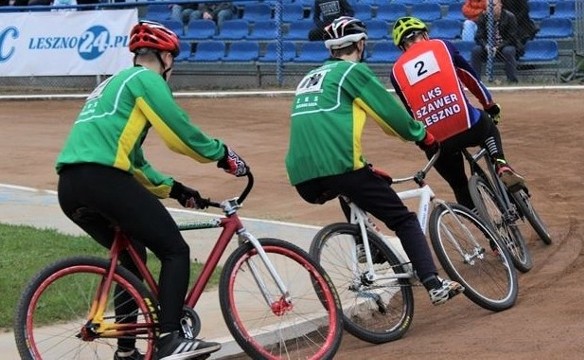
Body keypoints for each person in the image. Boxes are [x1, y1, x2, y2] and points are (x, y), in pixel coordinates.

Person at [55, 20, 249, 360]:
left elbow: (135, 162)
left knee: (132, 258)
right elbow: (180, 131)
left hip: (71, 187)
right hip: (103, 180)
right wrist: (223, 154)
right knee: (175, 249)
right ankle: (170, 339)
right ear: (165, 58)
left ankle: (126, 352)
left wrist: (175, 189)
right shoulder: (146, 79)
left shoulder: (114, 84)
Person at [285, 16, 464, 307]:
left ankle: (362, 242)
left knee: (351, 187)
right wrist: (424, 137)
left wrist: (364, 164)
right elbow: (391, 117)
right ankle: (433, 283)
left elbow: (324, 127)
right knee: (404, 219)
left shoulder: (309, 78)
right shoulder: (353, 72)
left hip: (301, 175)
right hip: (339, 165)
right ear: (360, 43)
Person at [389, 16, 525, 211]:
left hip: (436, 141)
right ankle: (501, 164)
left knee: (459, 185)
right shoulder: (442, 45)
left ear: (402, 46)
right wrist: (490, 105)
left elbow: (412, 112)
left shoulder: (395, 71)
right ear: (425, 35)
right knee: (487, 124)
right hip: (468, 124)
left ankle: (485, 228)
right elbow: (471, 78)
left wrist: (423, 139)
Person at [470, 0, 522, 83]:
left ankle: (512, 80)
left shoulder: (509, 17)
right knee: (476, 50)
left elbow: (512, 38)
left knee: (508, 51)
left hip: (504, 45)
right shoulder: (483, 17)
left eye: (493, 6)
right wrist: (486, 46)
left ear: (500, 5)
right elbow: (478, 37)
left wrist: (498, 47)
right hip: (488, 47)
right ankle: (475, 81)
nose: (490, 8)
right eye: (488, 6)